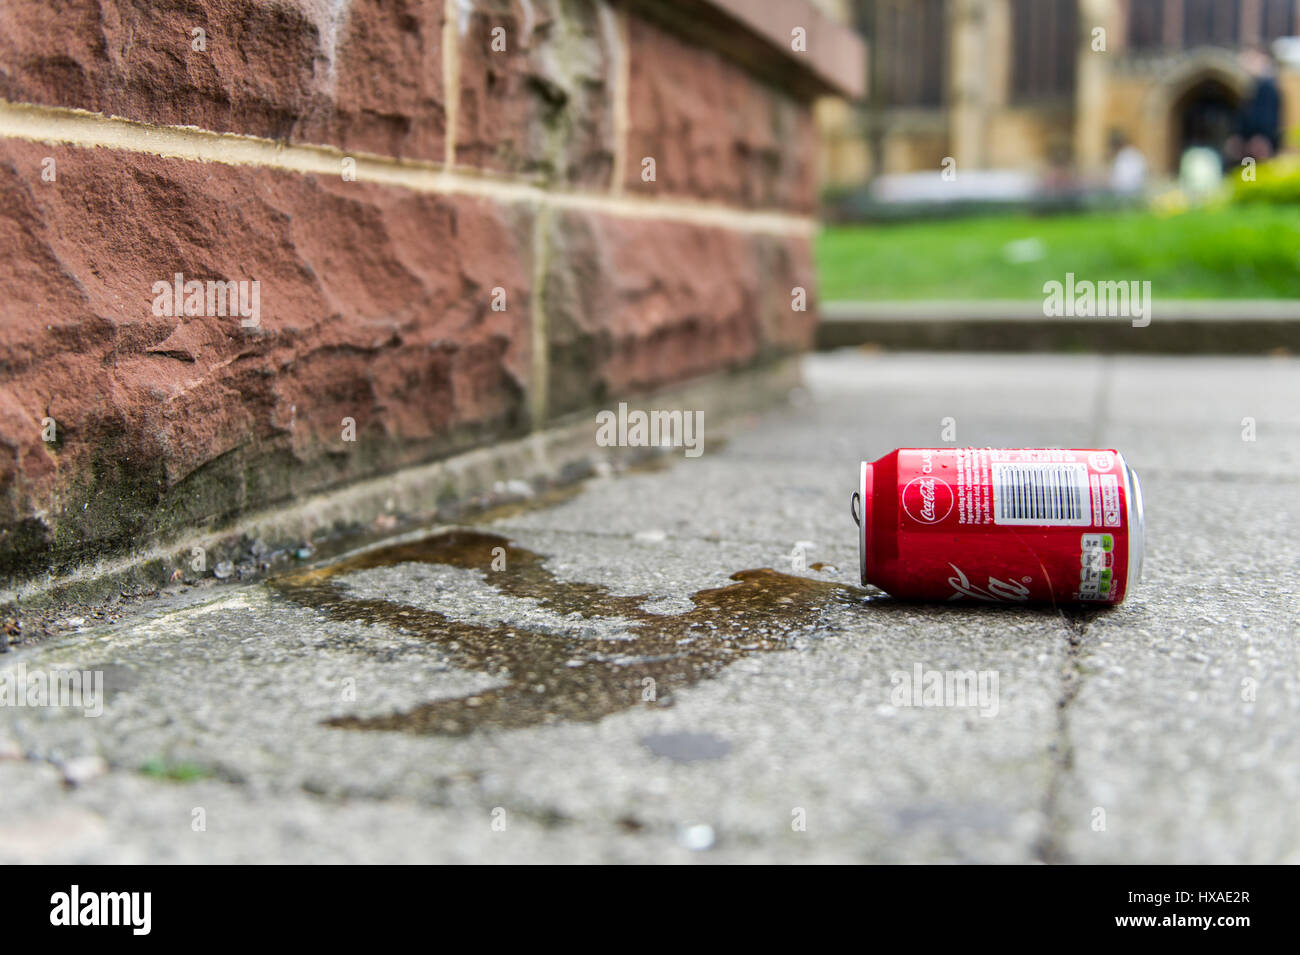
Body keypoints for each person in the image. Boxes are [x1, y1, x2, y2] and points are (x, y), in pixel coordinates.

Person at [1226, 46, 1283, 163]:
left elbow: (1267, 116)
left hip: (1260, 140)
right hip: (1250, 140)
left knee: (1255, 171)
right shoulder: (1252, 87)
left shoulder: (1267, 86)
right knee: (1249, 173)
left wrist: (1261, 137)